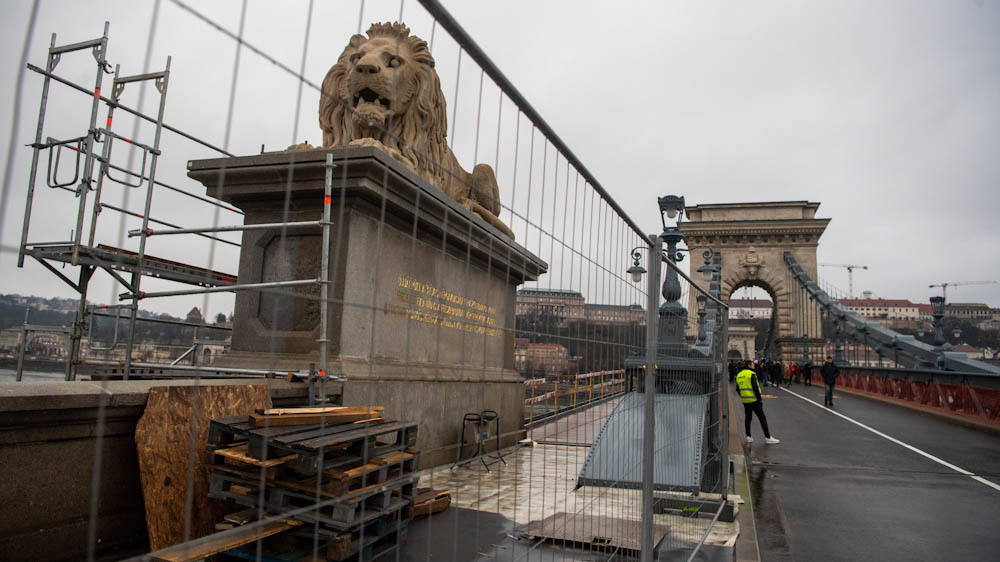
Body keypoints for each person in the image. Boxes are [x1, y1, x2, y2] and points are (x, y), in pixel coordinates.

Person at [736, 360, 780, 444]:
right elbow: (755, 388)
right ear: (749, 365)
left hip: (745, 400)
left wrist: (744, 396)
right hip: (754, 400)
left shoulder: (739, 375)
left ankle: (748, 436)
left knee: (748, 418)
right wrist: (759, 399)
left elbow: (737, 389)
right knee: (762, 418)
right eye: (753, 365)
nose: (754, 366)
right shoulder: (751, 374)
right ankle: (768, 437)